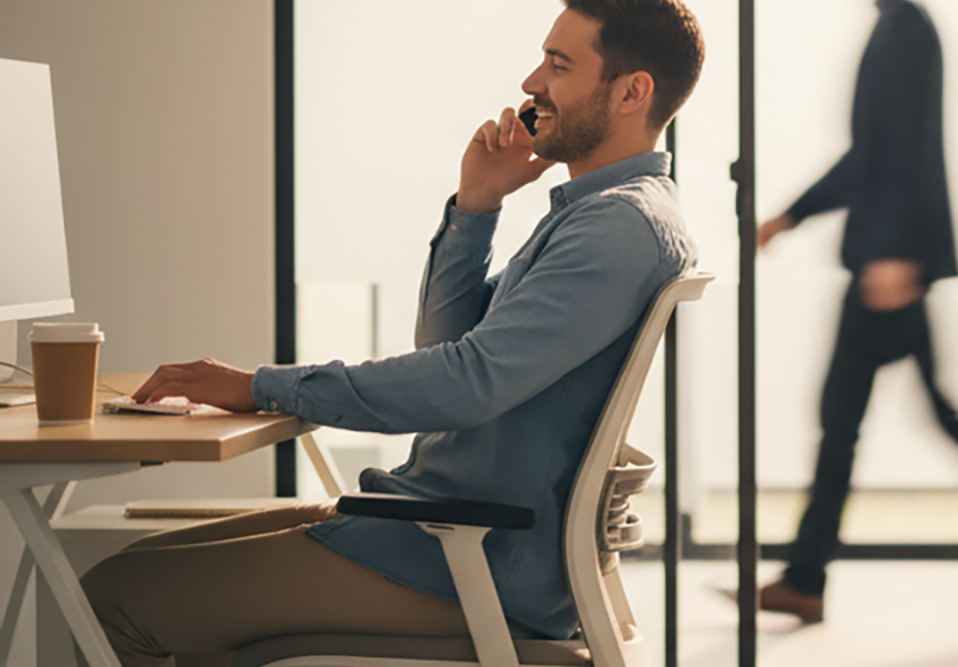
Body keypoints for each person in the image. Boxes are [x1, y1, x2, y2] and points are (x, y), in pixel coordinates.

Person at [79, 1, 703, 663]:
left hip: (463, 557)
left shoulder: (616, 226)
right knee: (136, 563)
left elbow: (465, 383)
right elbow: (445, 350)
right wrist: (477, 203)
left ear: (633, 91)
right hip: (443, 531)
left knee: (109, 595)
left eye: (559, 65)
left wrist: (261, 386)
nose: (530, 83)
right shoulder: (601, 215)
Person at [751, 0, 958, 624]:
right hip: (893, 257)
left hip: (890, 264)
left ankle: (806, 577)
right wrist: (792, 215)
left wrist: (895, 255)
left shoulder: (906, 29)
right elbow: (875, 153)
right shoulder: (900, 26)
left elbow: (904, 150)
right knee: (914, 411)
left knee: (848, 420)